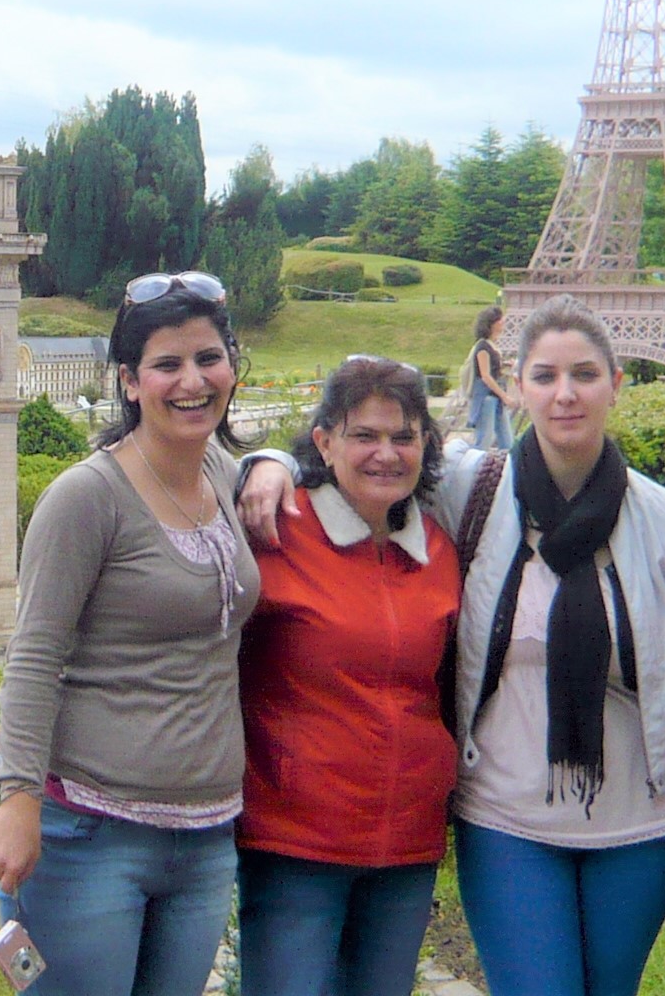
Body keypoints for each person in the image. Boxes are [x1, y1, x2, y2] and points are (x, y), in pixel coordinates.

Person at [241, 295, 665, 996]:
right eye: (545, 375)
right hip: (505, 814)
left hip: (639, 824)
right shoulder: (472, 490)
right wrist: (270, 459)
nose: (566, 393)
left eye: (585, 374)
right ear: (515, 385)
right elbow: (361, 464)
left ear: (618, 383)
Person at [0, 270, 259, 996]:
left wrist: (281, 464)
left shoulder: (227, 479)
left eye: (208, 358)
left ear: (232, 366)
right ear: (130, 382)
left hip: (206, 837)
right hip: (93, 833)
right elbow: (36, 653)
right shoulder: (87, 497)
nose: (192, 380)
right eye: (167, 364)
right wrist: (18, 798)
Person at [236, 355, 459, 996]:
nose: (385, 454)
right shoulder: (277, 530)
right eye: (364, 435)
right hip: (295, 843)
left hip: (407, 847)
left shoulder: (440, 552)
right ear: (325, 442)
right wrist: (265, 459)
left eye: (403, 436)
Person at [466, 306, 520, 449]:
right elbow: (485, 375)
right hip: (486, 398)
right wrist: (505, 396)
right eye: (499, 320)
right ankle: (475, 468)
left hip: (495, 397)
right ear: (491, 323)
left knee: (507, 440)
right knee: (483, 439)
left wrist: (506, 364)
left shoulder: (492, 345)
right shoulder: (483, 347)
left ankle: (506, 466)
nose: (503, 322)